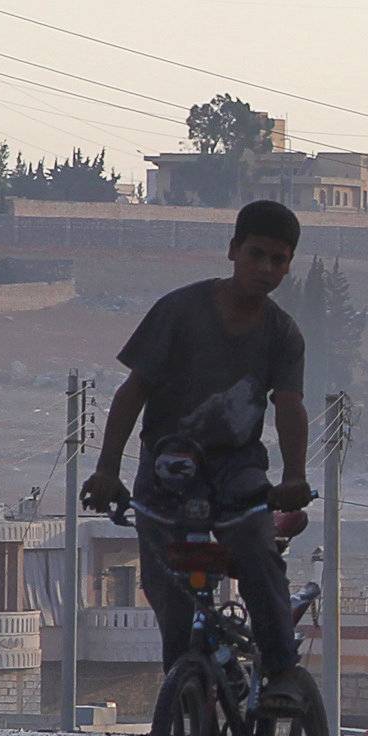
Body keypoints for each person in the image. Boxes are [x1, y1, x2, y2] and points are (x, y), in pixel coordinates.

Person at [81, 199, 312, 706]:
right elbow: (133, 392)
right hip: (169, 469)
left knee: (256, 553)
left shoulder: (282, 334)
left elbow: (289, 406)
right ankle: (183, 683)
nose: (267, 270)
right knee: (166, 585)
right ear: (233, 251)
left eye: (279, 260)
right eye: (257, 255)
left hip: (238, 472)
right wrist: (105, 470)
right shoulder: (179, 311)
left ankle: (283, 673)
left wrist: (294, 477)